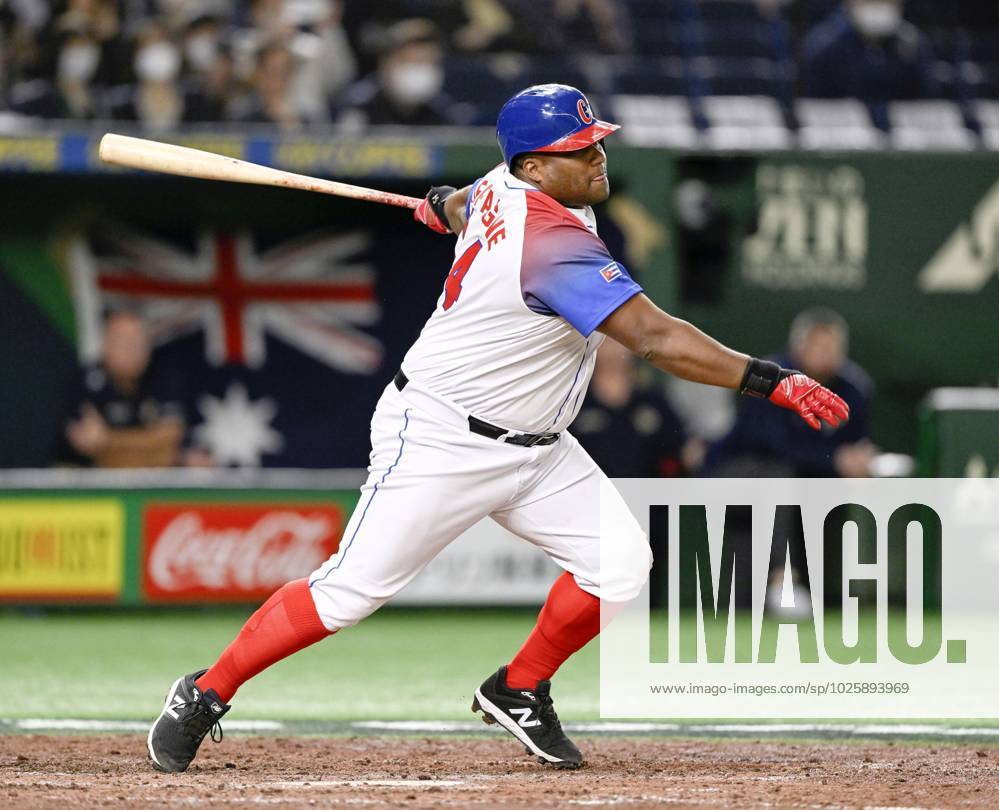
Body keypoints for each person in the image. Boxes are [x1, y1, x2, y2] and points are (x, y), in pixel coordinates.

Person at [146, 84, 849, 773]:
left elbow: (462, 202)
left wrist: (440, 208)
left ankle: (519, 686)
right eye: (579, 150)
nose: (598, 157)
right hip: (442, 436)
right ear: (534, 168)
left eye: (597, 142)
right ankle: (205, 692)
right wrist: (771, 379)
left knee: (622, 565)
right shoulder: (547, 240)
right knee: (347, 593)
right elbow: (654, 339)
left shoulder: (504, 185)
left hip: (538, 448)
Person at [705, 307, 873, 479]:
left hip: (810, 476)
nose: (826, 354)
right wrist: (833, 459)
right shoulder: (770, 379)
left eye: (832, 347)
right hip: (743, 469)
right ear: (799, 347)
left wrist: (856, 458)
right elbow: (773, 446)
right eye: (819, 346)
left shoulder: (854, 387)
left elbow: (856, 442)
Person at [54, 310, 187, 468]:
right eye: (123, 342)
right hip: (87, 484)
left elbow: (169, 443)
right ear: (105, 345)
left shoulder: (161, 375)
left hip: (150, 484)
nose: (132, 350)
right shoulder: (84, 381)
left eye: (138, 341)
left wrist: (110, 440)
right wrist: (148, 446)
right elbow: (92, 451)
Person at [801, 0, 937, 127]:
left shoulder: (911, 44)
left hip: (904, 135)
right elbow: (815, 104)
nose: (877, 5)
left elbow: (924, 103)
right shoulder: (825, 44)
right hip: (838, 133)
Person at [572, 338, 696, 477]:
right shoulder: (575, 403)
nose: (613, 348)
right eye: (605, 341)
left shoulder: (653, 401)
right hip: (592, 494)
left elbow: (681, 453)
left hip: (647, 494)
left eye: (617, 339)